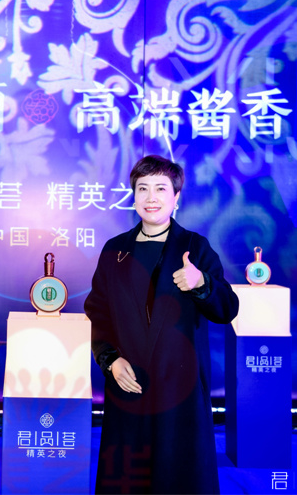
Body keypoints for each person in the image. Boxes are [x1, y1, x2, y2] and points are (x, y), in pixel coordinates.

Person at [84, 154, 239, 494]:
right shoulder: (115, 250)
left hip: (179, 388)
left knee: (178, 477)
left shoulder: (195, 247)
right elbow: (98, 313)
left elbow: (227, 308)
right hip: (129, 384)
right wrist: (111, 360)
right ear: (133, 196)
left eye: (160, 188)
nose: (150, 197)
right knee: (128, 478)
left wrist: (202, 284)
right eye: (142, 188)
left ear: (176, 197)